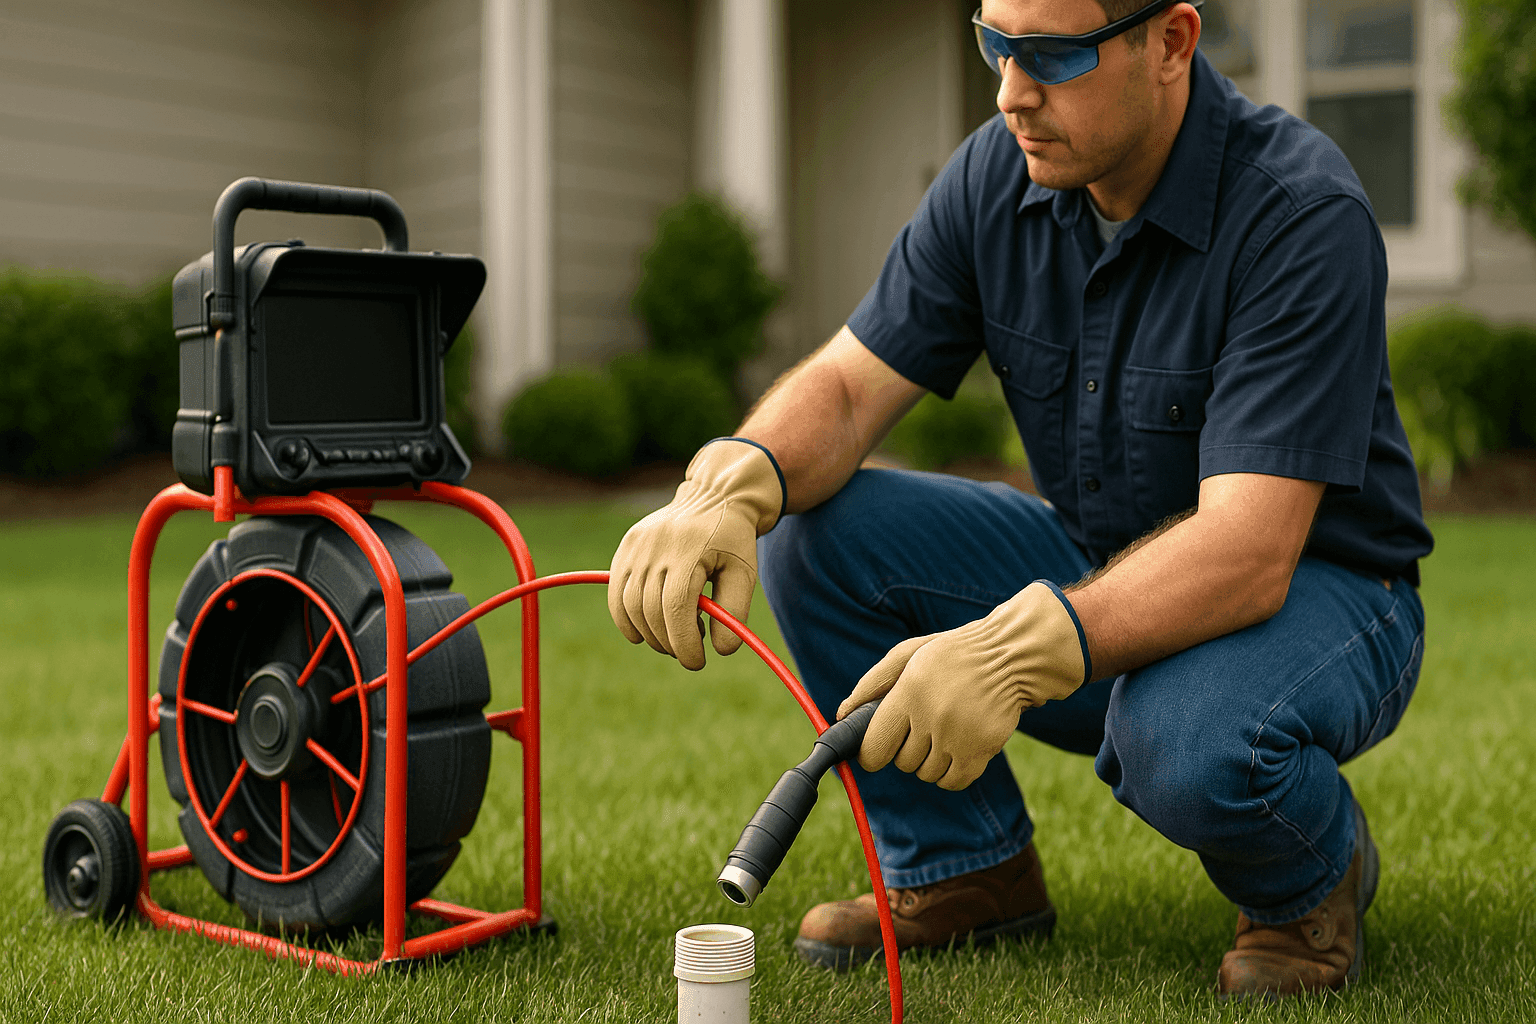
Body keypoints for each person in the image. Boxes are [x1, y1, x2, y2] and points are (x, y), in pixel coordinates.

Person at [608, 0, 1432, 999]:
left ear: (1171, 42)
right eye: (994, 43)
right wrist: (725, 483)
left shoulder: (1298, 213)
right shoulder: (997, 175)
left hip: (1322, 591)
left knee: (1182, 735)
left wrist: (1008, 652)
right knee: (813, 532)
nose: (1009, 92)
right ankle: (967, 873)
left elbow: (1249, 551)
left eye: (1052, 54)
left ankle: (1311, 872)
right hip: (1101, 568)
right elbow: (846, 387)